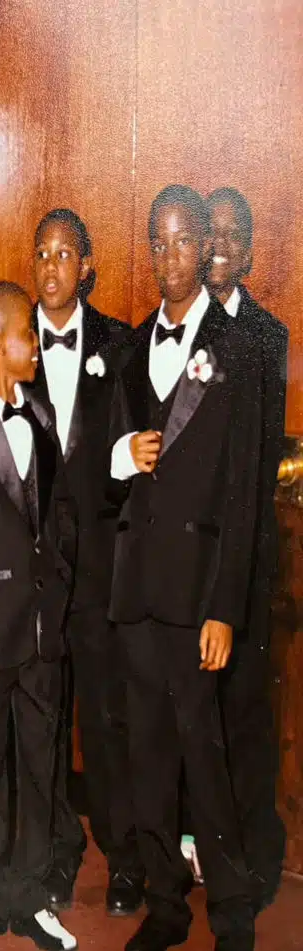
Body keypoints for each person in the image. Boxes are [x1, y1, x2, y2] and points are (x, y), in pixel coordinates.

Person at [109, 184, 259, 951]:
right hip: (137, 592)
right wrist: (120, 456)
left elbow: (243, 495)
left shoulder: (237, 350)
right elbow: (106, 459)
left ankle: (233, 918)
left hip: (198, 595)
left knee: (205, 760)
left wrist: (224, 610)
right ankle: (165, 906)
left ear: (206, 248)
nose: (169, 258)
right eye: (157, 243)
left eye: (182, 242)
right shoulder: (134, 346)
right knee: (149, 760)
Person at [0, 281, 79, 951]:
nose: (37, 342)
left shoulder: (43, 411)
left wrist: (60, 583)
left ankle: (32, 895)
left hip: (41, 628)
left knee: (40, 763)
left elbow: (57, 515)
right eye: (28, 332)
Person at [28, 208, 142, 915]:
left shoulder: (119, 345)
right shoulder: (11, 341)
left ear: (87, 267)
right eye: (41, 253)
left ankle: (125, 858)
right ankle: (53, 858)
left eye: (64, 253)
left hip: (100, 571)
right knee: (43, 718)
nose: (51, 266)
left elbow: (132, 454)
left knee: (106, 719)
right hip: (37, 571)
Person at [205, 186, 288, 912]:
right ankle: (199, 847)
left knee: (244, 712)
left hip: (248, 557)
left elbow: (258, 462)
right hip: (189, 560)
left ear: (251, 252)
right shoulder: (179, 327)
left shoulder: (268, 335)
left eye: (235, 234)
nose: (221, 245)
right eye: (213, 231)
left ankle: (256, 856)